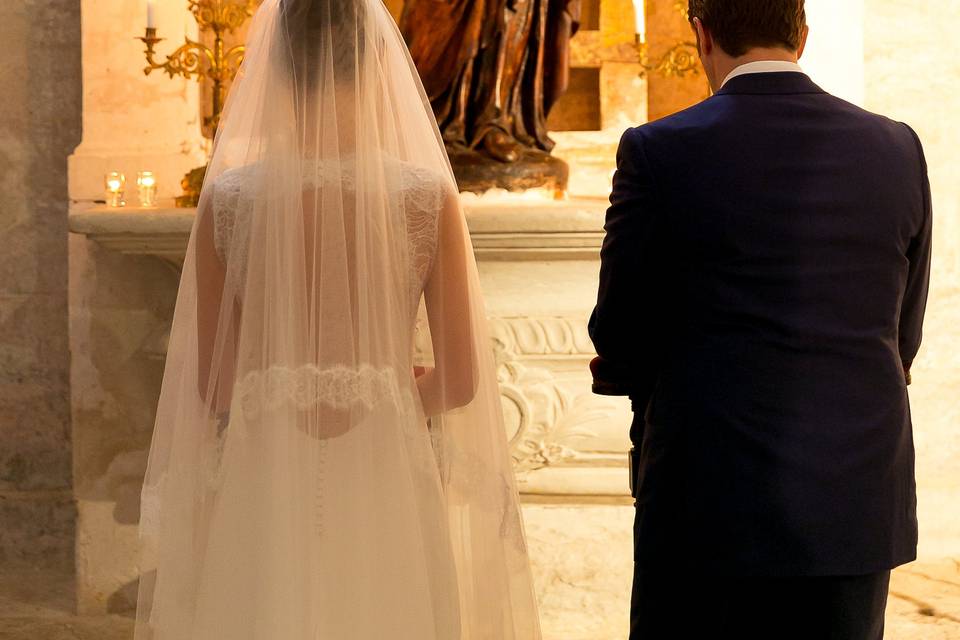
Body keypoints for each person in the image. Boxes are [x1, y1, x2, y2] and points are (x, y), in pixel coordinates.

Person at [134, 0, 541, 637]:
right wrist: (389, 385)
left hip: (264, 472)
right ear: (381, 59)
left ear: (274, 65)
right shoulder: (425, 197)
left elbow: (213, 385)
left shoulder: (229, 199)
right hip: (385, 472)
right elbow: (460, 382)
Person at [588, 1, 931, 638]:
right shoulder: (895, 147)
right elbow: (902, 332)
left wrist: (634, 368)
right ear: (801, 33)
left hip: (706, 497)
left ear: (701, 33)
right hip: (852, 496)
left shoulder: (657, 149)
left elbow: (619, 327)